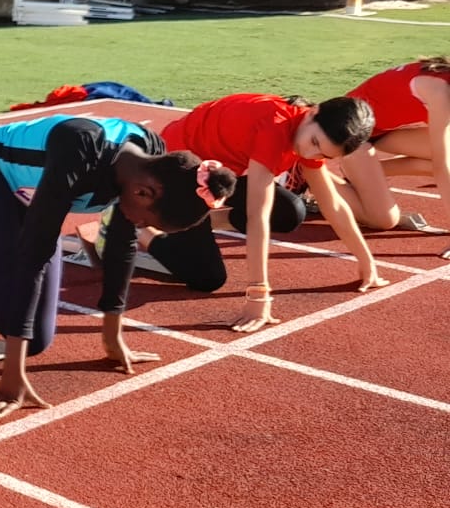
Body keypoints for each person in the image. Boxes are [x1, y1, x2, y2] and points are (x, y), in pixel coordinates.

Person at [0, 115, 238, 418]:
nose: (141, 227)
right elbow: (34, 255)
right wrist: (12, 379)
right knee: (12, 310)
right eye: (146, 221)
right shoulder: (80, 150)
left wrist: (112, 336)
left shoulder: (150, 161)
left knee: (35, 339)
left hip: (38, 196)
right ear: (144, 192)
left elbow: (121, 247)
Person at [142, 94, 381, 331]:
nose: (309, 154)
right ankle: (141, 230)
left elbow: (333, 204)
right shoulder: (275, 128)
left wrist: (366, 260)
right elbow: (258, 215)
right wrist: (258, 294)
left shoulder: (307, 130)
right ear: (313, 112)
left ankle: (200, 221)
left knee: (289, 212)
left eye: (323, 155)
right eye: (315, 143)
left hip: (214, 171)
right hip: (172, 170)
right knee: (207, 278)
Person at [332, 58, 450, 242]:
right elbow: (443, 164)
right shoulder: (438, 90)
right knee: (383, 220)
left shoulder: (442, 82)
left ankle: (358, 174)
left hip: (381, 130)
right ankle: (311, 173)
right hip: (348, 134)